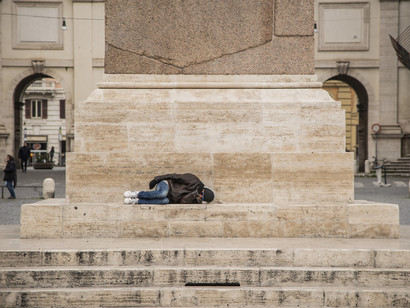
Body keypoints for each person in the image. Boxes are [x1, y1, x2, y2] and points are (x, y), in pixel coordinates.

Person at [124, 173, 215, 205]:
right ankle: (138, 194)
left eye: (202, 197)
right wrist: (157, 179)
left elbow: (182, 201)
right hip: (167, 185)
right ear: (204, 189)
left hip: (170, 198)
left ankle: (137, 201)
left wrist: (194, 195)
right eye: (202, 193)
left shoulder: (195, 199)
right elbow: (174, 176)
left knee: (164, 201)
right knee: (162, 194)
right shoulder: (193, 180)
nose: (200, 196)